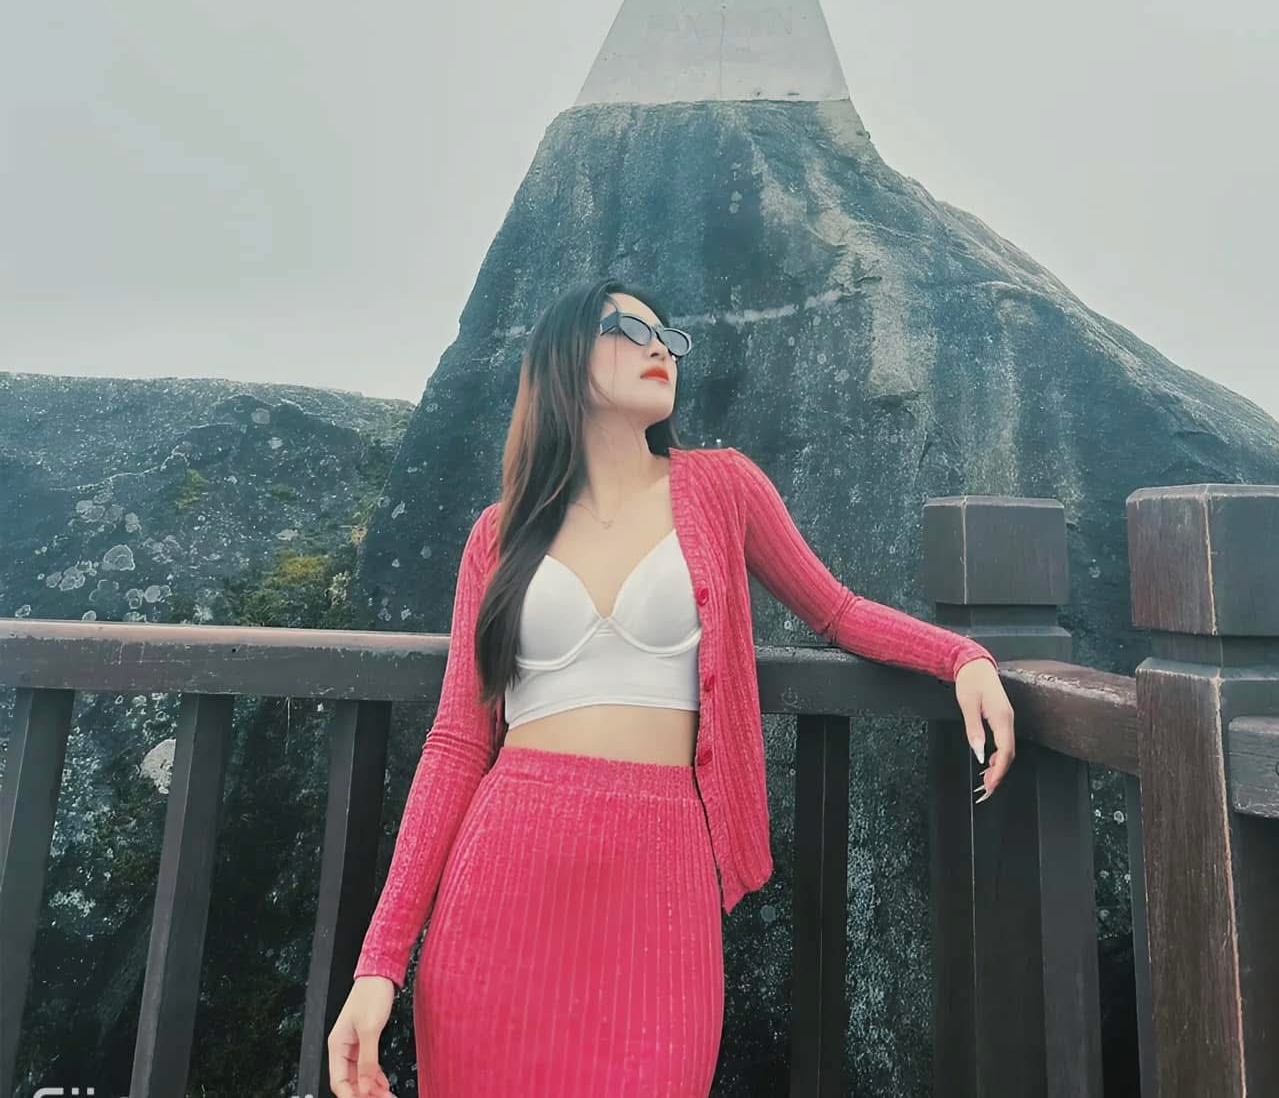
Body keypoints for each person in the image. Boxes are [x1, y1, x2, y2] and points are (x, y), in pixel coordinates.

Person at [327, 273, 1015, 1097]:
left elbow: (836, 608)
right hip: (504, 871)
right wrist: (380, 963)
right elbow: (455, 744)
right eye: (629, 329)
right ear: (562, 357)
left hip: (660, 874)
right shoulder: (499, 532)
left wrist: (960, 657)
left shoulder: (722, 486)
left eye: (670, 337)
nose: (660, 347)